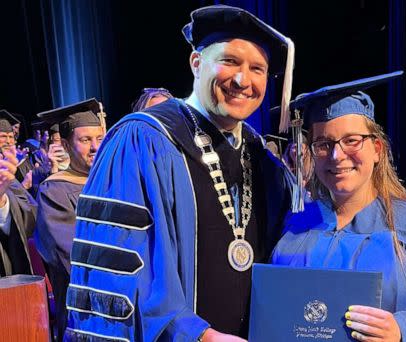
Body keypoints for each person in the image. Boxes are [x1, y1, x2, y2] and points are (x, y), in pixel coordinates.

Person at [66, 5, 295, 341]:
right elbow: (118, 271)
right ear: (196, 63)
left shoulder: (263, 160)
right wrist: (195, 335)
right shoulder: (143, 140)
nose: (243, 80)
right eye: (229, 61)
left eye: (257, 68)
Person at [272, 72, 406, 341]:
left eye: (352, 140)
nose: (337, 155)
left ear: (377, 149)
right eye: (323, 144)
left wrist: (404, 331)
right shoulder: (295, 226)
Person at [33, 98, 106, 341]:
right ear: (65, 144)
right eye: (85, 140)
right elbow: (73, 258)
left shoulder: (114, 181)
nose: (95, 147)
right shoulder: (54, 192)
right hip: (87, 313)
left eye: (99, 138)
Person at [0, 117, 38, 278]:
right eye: (3, 136)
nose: (8, 141)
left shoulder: (9, 173)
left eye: (11, 136)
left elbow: (30, 212)